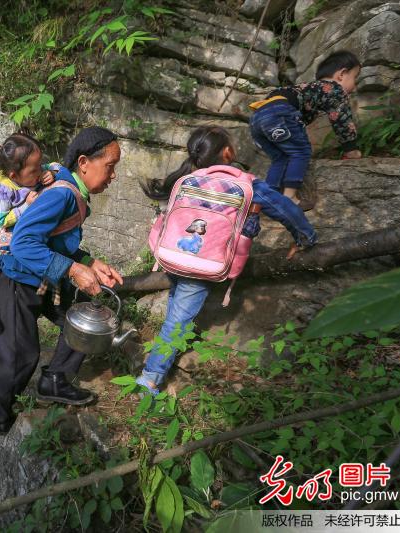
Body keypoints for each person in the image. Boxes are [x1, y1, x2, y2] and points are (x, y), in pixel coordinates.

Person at [136, 126, 318, 395]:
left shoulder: (187, 179)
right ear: (228, 152)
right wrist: (305, 237)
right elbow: (284, 208)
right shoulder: (248, 184)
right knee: (177, 325)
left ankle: (156, 364)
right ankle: (149, 380)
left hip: (173, 257)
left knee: (176, 311)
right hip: (202, 266)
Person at [0, 126, 124, 437]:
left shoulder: (75, 194)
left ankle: (55, 380)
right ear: (84, 162)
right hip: (16, 281)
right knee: (19, 357)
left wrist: (89, 262)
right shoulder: (62, 195)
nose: (113, 176)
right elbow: (23, 243)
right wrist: (74, 271)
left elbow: (58, 241)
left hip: (45, 278)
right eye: (110, 166)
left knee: (83, 320)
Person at [249, 50, 362, 210]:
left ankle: (267, 198)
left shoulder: (309, 88)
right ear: (342, 75)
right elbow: (341, 118)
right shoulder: (335, 89)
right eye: (355, 78)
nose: (355, 86)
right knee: (301, 151)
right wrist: (351, 149)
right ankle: (290, 198)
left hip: (258, 116)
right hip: (280, 111)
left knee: (281, 158)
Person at [0, 133, 56, 330]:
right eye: (34, 170)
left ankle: (50, 286)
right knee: (0, 256)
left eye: (40, 166)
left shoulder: (32, 172)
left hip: (25, 229)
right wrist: (25, 206)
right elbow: (1, 220)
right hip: (2, 232)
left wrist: (50, 173)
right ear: (14, 175)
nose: (39, 171)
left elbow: (54, 166)